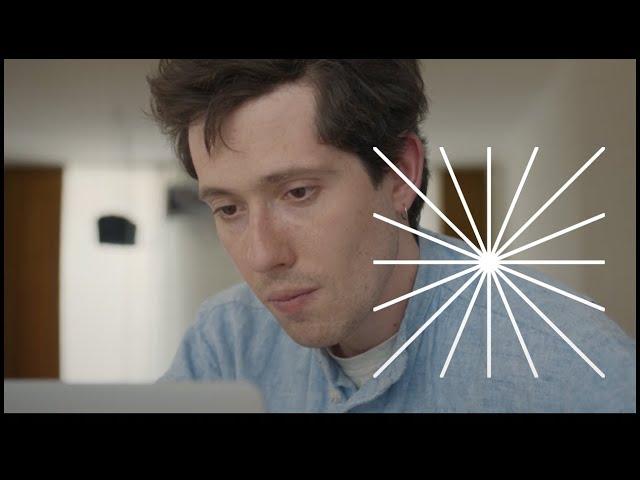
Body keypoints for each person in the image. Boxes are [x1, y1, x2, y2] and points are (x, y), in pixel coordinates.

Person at [147, 60, 635, 412]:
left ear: (400, 174)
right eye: (229, 208)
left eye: (298, 193)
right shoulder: (223, 345)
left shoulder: (573, 369)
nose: (262, 255)